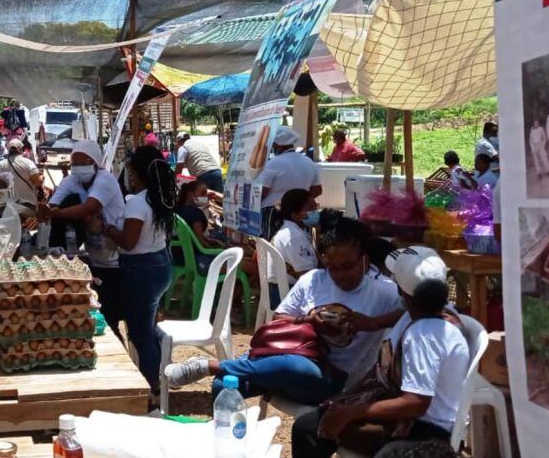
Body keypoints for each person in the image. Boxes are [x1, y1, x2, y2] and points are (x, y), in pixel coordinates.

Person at [165, 218, 403, 405]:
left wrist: (371, 323)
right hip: (294, 358)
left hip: (330, 380)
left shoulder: (384, 291)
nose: (340, 275)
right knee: (224, 387)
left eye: (347, 266)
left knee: (296, 369)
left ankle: (212, 365)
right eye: (332, 267)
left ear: (365, 259)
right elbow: (279, 318)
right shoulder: (313, 280)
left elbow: (427, 312)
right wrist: (309, 320)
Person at [292, 247, 469, 458]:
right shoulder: (427, 312)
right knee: (311, 424)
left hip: (427, 430)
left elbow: (416, 403)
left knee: (326, 427)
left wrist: (351, 412)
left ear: (401, 291)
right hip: (406, 415)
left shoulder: (425, 335)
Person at [103, 146, 176, 392]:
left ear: (139, 175)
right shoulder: (158, 199)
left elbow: (128, 241)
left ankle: (151, 386)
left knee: (139, 333)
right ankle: (160, 367)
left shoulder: (137, 203)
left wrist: (107, 229)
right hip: (159, 264)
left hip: (141, 269)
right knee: (145, 324)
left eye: (131, 174)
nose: (128, 178)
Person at [39, 140, 125, 338]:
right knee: (96, 311)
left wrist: (57, 214)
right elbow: (54, 204)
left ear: (94, 162)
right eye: (74, 162)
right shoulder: (72, 181)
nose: (78, 166)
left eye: (83, 161)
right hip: (95, 256)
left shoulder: (105, 179)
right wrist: (47, 210)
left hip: (116, 255)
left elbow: (90, 207)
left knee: (111, 316)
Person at [258, 127, 322, 239]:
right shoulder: (309, 162)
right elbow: (317, 190)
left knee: (273, 243)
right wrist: (299, 199)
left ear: (278, 145)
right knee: (300, 241)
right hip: (300, 211)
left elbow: (263, 192)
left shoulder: (273, 163)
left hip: (274, 213)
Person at [267, 189, 320, 309]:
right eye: (311, 209)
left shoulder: (294, 229)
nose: (315, 212)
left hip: (279, 290)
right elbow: (307, 276)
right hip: (286, 294)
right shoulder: (294, 237)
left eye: (315, 207)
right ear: (295, 215)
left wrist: (318, 233)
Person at [0, 138, 44, 216]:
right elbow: (37, 182)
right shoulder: (28, 163)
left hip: (9, 207)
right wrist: (42, 177)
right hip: (28, 206)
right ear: (21, 150)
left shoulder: (1, 164)